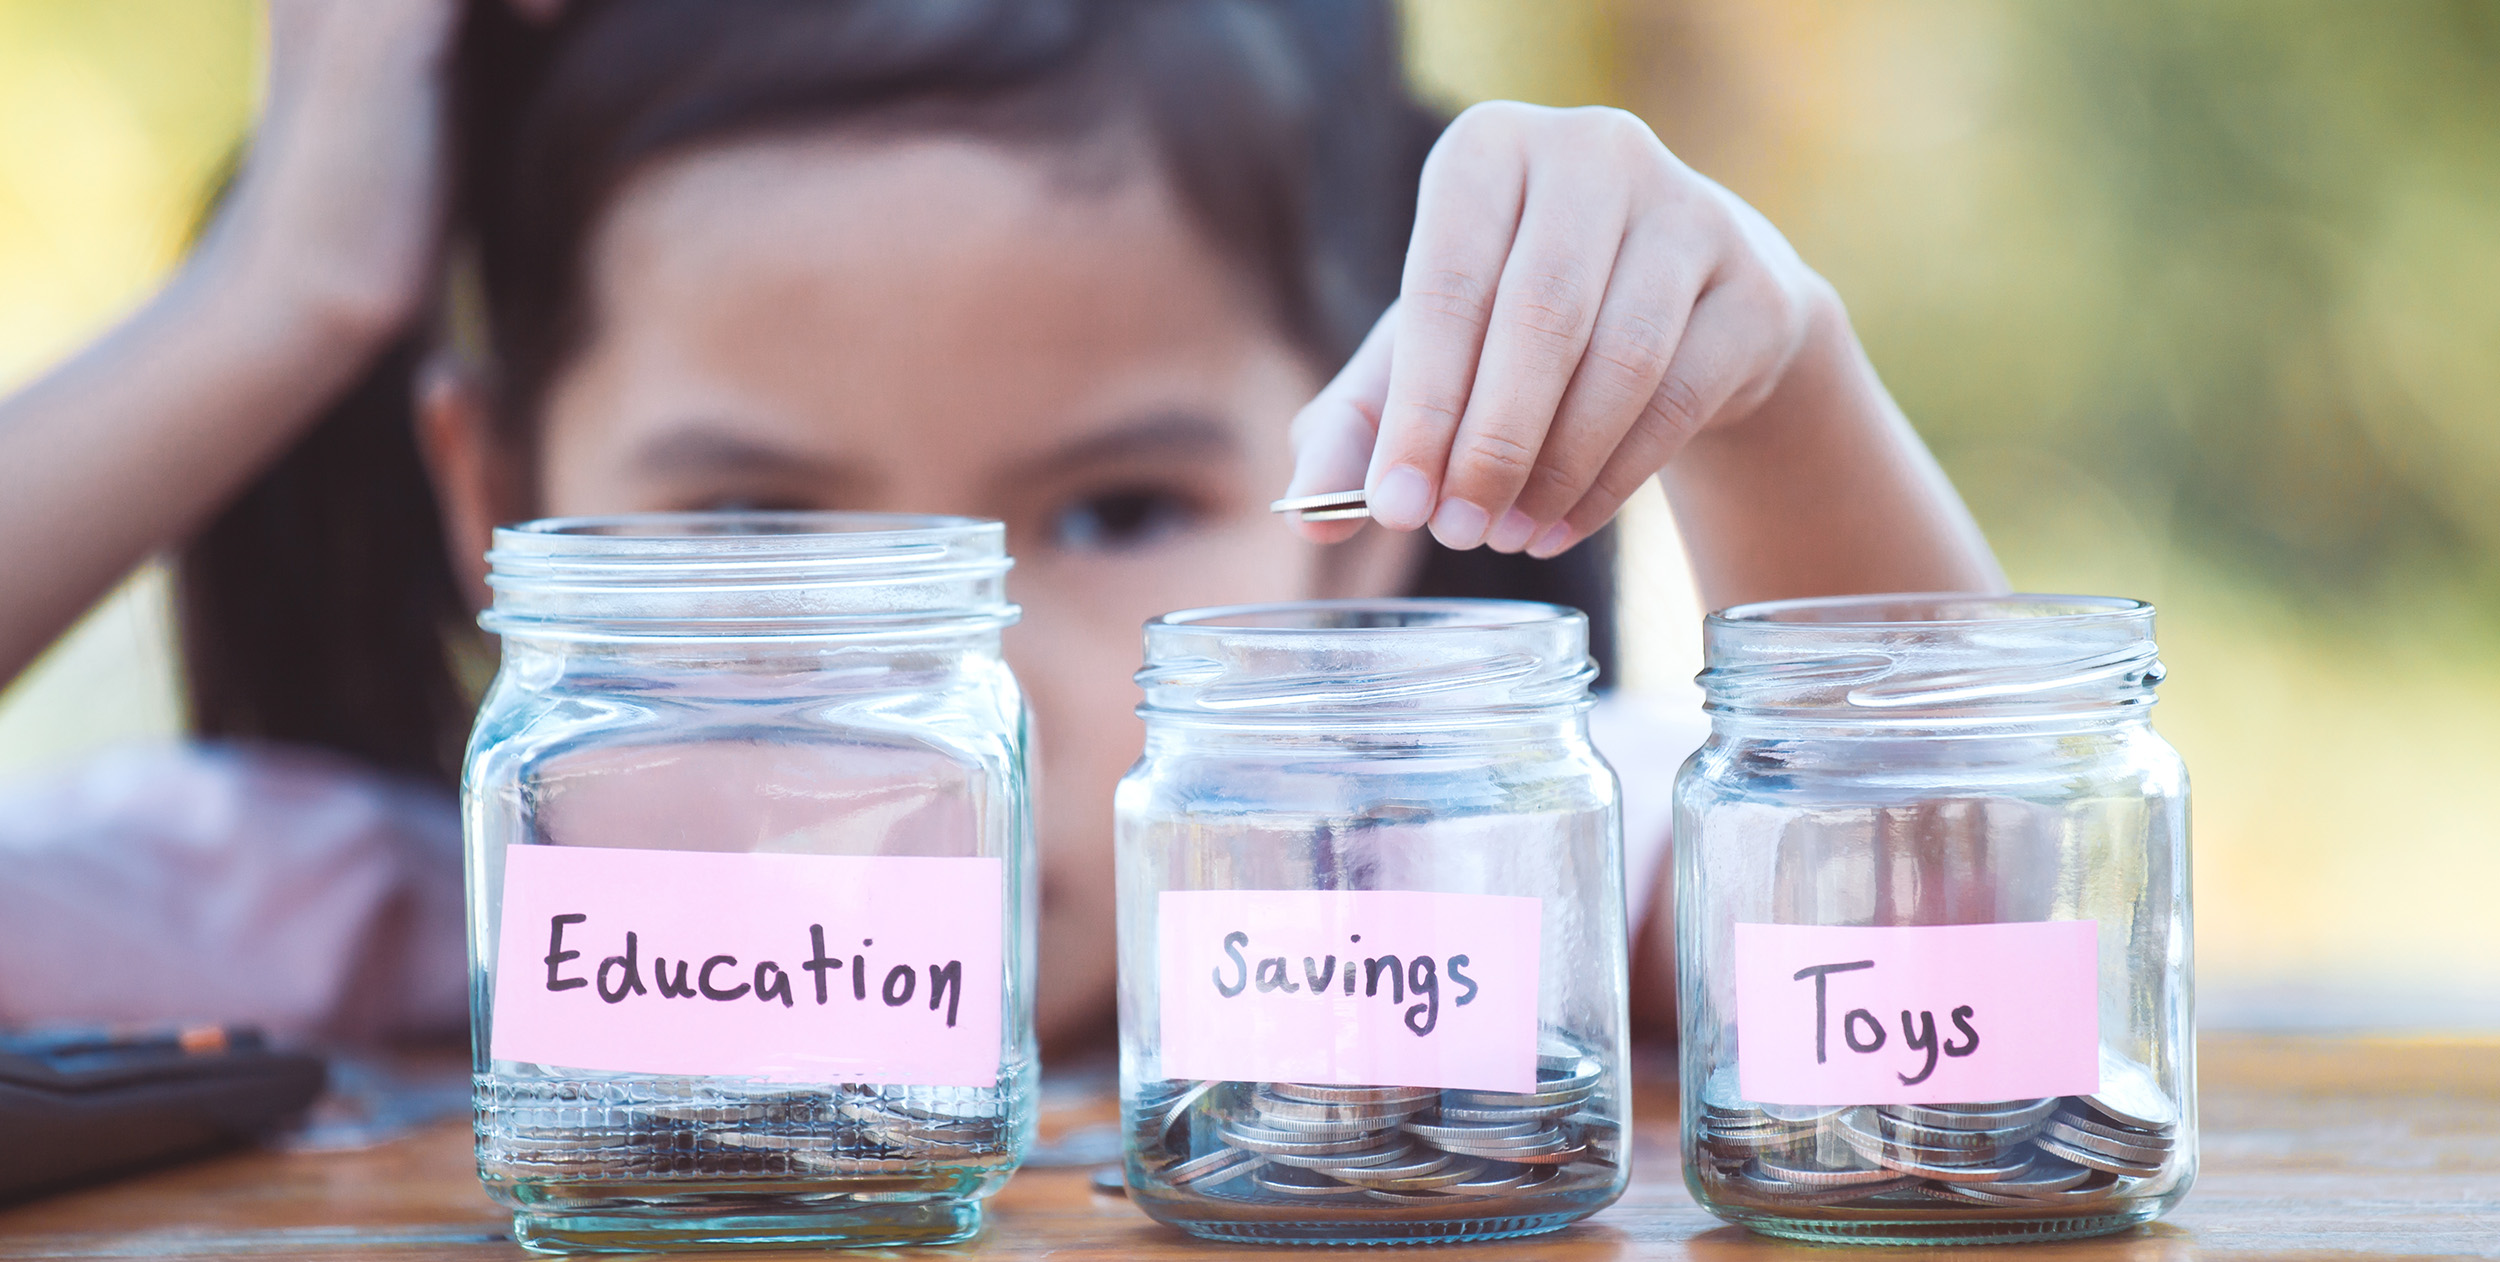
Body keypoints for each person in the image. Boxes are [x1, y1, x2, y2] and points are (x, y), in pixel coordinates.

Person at [0, 0, 2002, 1050]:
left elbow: (1960, 924)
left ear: (1354, 501)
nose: (932, 705)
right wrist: (274, 305)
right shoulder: (351, 929)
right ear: (504, 509)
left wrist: (1775, 384)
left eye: (1117, 503)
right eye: (759, 525)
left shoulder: (1449, 886)